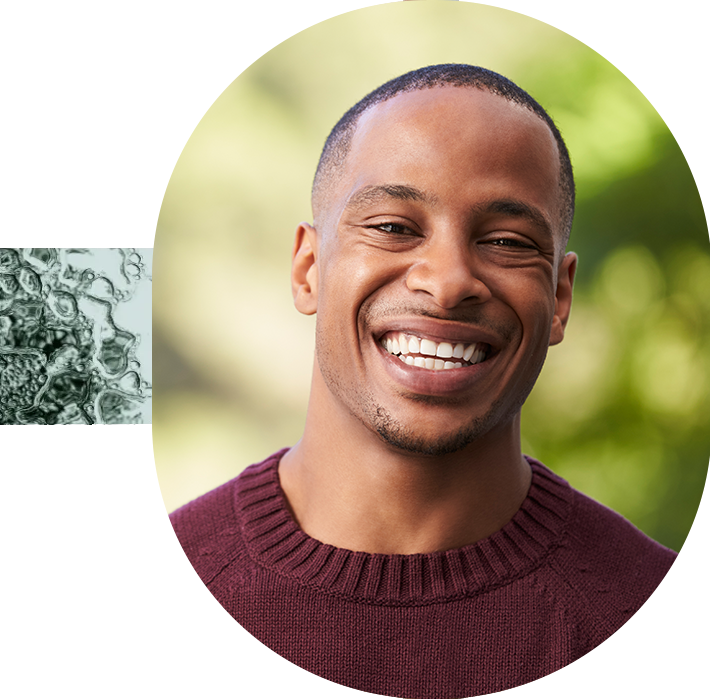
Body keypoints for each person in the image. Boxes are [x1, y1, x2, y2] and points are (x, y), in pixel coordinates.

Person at [170, 64, 675, 699]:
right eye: (392, 227)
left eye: (507, 240)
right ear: (308, 269)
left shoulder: (663, 621)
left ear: (561, 297)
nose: (447, 280)